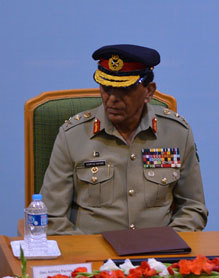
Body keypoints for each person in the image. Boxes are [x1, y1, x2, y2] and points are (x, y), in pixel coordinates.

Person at [41, 44, 208, 234]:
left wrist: (170, 244)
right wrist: (89, 254)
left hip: (158, 257)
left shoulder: (176, 133)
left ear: (149, 91)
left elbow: (193, 208)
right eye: (106, 88)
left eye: (125, 90)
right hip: (92, 258)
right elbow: (52, 217)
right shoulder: (72, 135)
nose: (112, 98)